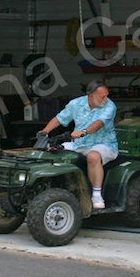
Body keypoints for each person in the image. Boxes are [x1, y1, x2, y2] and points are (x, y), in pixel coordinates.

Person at [39, 80, 118, 209]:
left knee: (93, 156)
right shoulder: (76, 104)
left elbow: (99, 123)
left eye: (106, 95)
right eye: (102, 97)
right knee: (53, 152)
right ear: (91, 96)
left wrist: (84, 132)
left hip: (104, 144)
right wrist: (45, 131)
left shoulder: (110, 106)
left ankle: (96, 195)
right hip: (79, 144)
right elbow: (60, 118)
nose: (105, 99)